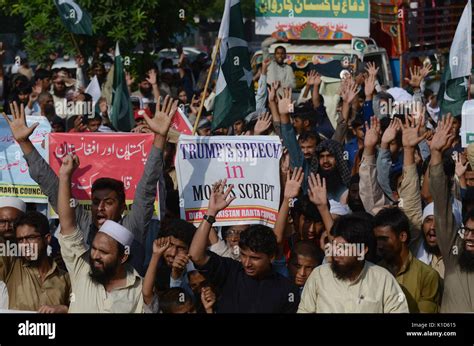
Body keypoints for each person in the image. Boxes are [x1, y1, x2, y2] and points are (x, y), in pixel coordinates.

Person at [3, 97, 178, 274]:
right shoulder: (83, 225)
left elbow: (147, 186)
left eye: (108, 202)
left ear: (123, 206)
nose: (100, 208)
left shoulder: (132, 228)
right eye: (95, 202)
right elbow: (53, 188)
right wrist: (24, 143)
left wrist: (160, 138)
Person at [189, 179, 300, 313]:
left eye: (255, 258)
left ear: (271, 257)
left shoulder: (287, 290)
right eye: (243, 255)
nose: (247, 263)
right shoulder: (230, 272)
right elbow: (196, 255)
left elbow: (278, 238)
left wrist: (287, 199)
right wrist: (211, 213)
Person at [57, 154, 146, 313]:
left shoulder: (139, 288)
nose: (95, 255)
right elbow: (67, 224)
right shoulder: (82, 268)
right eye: (94, 248)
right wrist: (65, 176)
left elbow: (147, 192)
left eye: (104, 252)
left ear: (123, 256)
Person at [298, 214, 409, 313]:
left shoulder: (383, 280)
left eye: (343, 247)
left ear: (362, 250)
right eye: (335, 246)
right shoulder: (319, 276)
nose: (336, 252)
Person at [429, 115, 474, 312]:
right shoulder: (454, 253)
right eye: (468, 230)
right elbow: (441, 202)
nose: (470, 237)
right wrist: (436, 153)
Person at [0, 211, 70, 312]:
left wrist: (65, 309)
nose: (25, 244)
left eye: (31, 238)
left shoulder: (65, 278)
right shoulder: (10, 267)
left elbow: (81, 307)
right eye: (20, 240)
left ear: (47, 239)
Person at [374, 207, 441, 313]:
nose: (379, 245)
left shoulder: (427, 275)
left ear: (402, 236)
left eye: (384, 239)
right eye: (377, 239)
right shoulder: (374, 272)